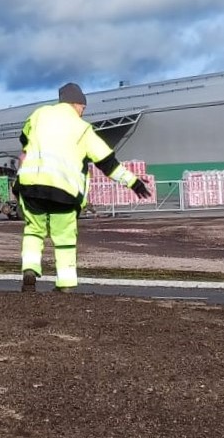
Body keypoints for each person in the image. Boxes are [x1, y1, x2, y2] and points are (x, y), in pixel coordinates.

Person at [13, 81, 152, 294]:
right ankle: (65, 284)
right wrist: (133, 182)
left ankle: (30, 270)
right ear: (77, 105)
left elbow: (24, 141)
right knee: (65, 237)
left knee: (33, 231)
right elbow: (107, 163)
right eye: (82, 108)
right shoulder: (83, 129)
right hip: (65, 192)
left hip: (31, 186)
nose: (82, 112)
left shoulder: (39, 115)